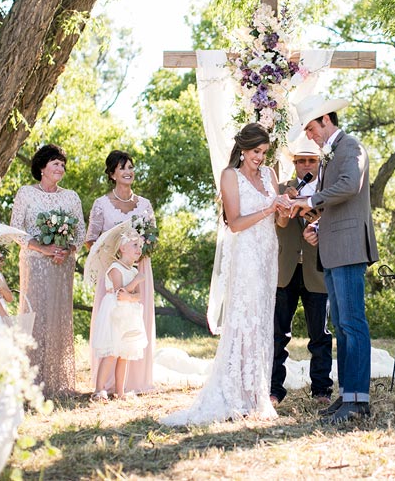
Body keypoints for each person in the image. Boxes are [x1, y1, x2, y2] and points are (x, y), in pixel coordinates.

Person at [159, 123, 291, 426]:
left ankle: (257, 394)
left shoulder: (270, 175)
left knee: (261, 322)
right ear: (243, 148)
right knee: (244, 320)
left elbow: (278, 224)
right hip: (244, 255)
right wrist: (270, 208)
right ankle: (234, 394)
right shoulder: (230, 175)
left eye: (264, 152)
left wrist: (283, 211)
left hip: (268, 254)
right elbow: (235, 222)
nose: (260, 157)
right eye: (256, 151)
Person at [289, 94, 379, 423]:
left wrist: (309, 198)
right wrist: (317, 225)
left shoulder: (351, 146)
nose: (309, 136)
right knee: (340, 325)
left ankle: (359, 400)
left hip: (349, 248)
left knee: (353, 324)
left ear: (326, 120)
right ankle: (348, 397)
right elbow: (335, 206)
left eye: (311, 128)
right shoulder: (330, 155)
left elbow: (349, 185)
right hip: (332, 248)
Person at [10, 144, 85, 396]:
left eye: (63, 165)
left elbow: (81, 232)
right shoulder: (25, 194)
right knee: (34, 316)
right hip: (35, 263)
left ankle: (57, 382)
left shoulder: (71, 196)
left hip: (61, 265)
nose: (60, 168)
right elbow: (16, 230)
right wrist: (43, 249)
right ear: (42, 167)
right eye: (55, 163)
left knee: (58, 316)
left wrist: (67, 249)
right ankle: (30, 382)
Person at [86, 150, 157, 394]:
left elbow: (152, 238)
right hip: (113, 269)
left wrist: (141, 250)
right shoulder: (101, 204)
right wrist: (114, 257)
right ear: (112, 173)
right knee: (112, 323)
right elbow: (91, 240)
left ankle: (133, 382)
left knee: (136, 320)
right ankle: (104, 384)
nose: (129, 172)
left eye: (131, 167)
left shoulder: (145, 205)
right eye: (123, 167)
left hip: (139, 266)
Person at [270, 136, 333, 406]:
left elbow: (333, 226)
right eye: (301, 160)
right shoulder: (283, 188)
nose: (306, 164)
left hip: (316, 270)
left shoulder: (330, 191)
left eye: (311, 160)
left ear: (320, 163)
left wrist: (313, 212)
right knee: (277, 335)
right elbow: (279, 225)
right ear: (293, 163)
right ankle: (274, 390)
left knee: (319, 335)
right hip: (285, 270)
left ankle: (321, 389)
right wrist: (286, 205)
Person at [90, 227, 148, 401]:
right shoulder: (115, 268)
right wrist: (134, 284)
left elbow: (137, 296)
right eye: (135, 245)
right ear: (122, 248)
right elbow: (119, 293)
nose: (139, 249)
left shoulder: (133, 270)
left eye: (140, 246)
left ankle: (121, 392)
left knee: (124, 353)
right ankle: (98, 390)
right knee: (112, 352)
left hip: (129, 314)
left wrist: (131, 295)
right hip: (115, 313)